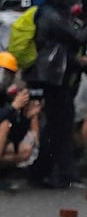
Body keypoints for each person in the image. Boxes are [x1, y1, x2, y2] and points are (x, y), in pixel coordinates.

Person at [25, 0, 87, 189]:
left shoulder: (56, 14)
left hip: (58, 76)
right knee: (57, 126)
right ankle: (51, 173)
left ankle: (55, 173)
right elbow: (77, 38)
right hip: (52, 78)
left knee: (59, 126)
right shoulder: (51, 15)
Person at [0, 52, 41, 183]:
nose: (4, 78)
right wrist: (13, 107)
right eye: (3, 73)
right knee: (4, 125)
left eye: (8, 74)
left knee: (25, 151)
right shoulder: (10, 103)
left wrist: (26, 117)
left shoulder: (6, 98)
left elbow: (15, 137)